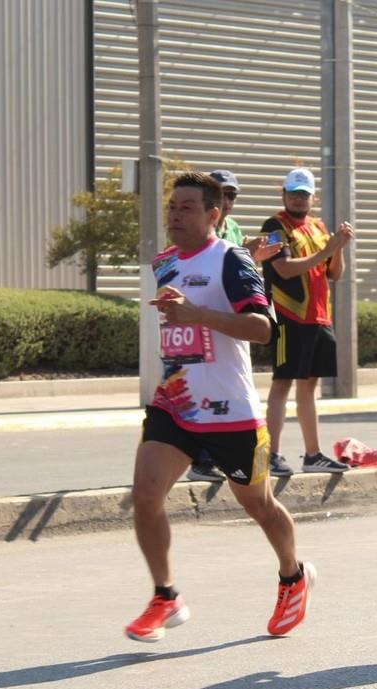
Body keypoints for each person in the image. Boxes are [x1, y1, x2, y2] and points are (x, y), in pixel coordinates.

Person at [126, 172, 316, 642]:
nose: (175, 214)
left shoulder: (232, 260)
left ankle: (293, 575)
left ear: (214, 215)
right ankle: (165, 595)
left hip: (231, 411)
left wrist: (198, 315)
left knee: (260, 506)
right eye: (172, 206)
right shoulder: (163, 263)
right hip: (175, 404)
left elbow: (262, 328)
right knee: (146, 495)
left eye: (187, 207)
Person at [260, 167, 352, 477]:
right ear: (284, 195)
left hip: (319, 316)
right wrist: (328, 249)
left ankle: (313, 454)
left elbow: (334, 273)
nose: (299, 199)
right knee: (282, 383)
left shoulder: (317, 226)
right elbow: (284, 269)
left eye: (304, 194)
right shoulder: (274, 226)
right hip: (289, 316)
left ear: (313, 197)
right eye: (293, 193)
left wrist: (338, 249)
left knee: (309, 386)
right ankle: (271, 454)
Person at [187, 169, 244, 484]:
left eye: (232, 194)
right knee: (203, 391)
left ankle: (219, 456)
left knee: (227, 391)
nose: (228, 199)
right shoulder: (197, 230)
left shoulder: (234, 229)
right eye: (223, 193)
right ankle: (200, 459)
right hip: (201, 319)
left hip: (229, 321)